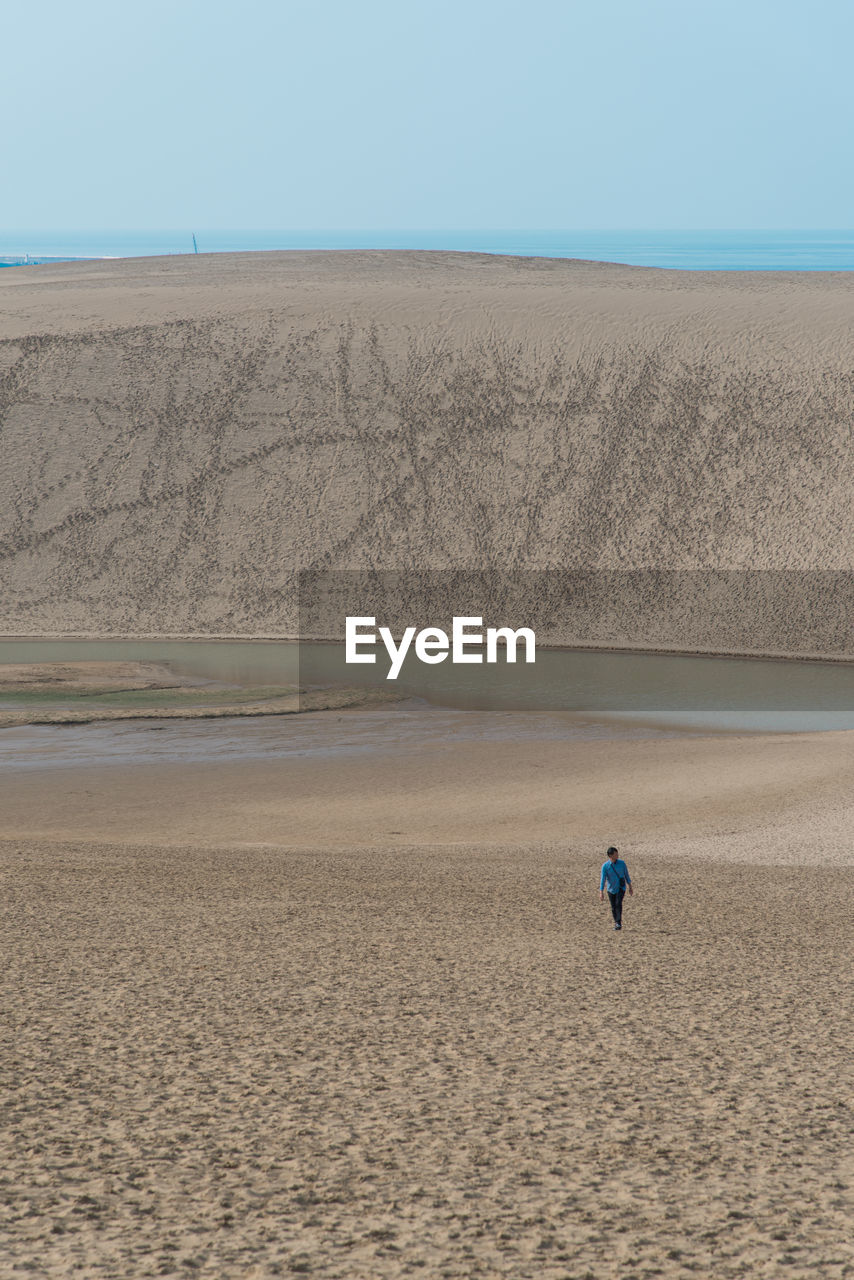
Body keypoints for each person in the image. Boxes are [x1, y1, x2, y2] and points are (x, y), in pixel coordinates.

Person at [599, 846, 633, 930]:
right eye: (615, 854)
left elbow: (626, 875)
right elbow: (603, 879)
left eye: (617, 853)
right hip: (610, 889)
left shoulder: (622, 863)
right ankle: (616, 922)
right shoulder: (605, 866)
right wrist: (601, 892)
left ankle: (618, 923)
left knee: (618, 904)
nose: (617, 855)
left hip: (621, 888)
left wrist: (630, 887)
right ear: (610, 856)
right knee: (613, 906)